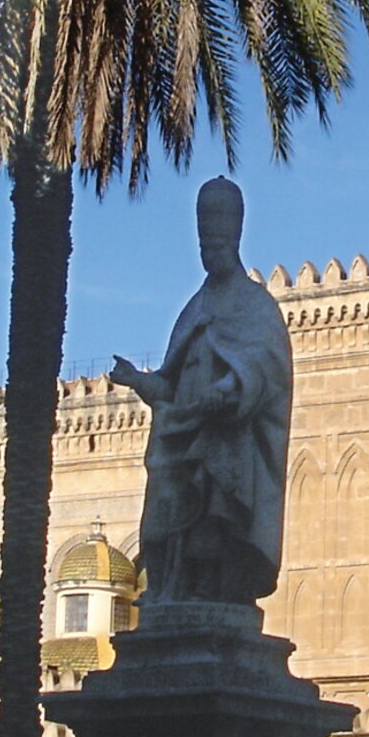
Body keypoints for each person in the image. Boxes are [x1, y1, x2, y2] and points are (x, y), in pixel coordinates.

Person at [110, 177, 293, 609]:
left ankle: (213, 598)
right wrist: (137, 379)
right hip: (182, 446)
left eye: (217, 246)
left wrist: (230, 388)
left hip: (227, 447)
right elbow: (169, 387)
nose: (209, 254)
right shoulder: (194, 308)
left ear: (234, 242)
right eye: (204, 248)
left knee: (216, 527)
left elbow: (268, 365)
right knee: (167, 527)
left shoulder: (255, 305)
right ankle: (174, 590)